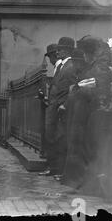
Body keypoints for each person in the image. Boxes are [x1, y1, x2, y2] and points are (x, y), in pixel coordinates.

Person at [62, 36, 112, 198]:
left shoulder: (100, 68)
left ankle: (92, 187)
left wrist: (77, 88)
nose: (83, 57)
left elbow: (97, 89)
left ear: (90, 53)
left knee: (93, 151)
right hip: (86, 115)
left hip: (94, 116)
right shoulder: (94, 67)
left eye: (85, 53)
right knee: (86, 149)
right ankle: (83, 184)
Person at [39, 37, 77, 179]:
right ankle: (53, 168)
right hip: (53, 107)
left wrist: (64, 104)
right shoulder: (60, 66)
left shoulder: (71, 66)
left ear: (67, 50)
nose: (57, 52)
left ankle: (59, 170)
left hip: (61, 108)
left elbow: (73, 88)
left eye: (60, 49)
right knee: (51, 138)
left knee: (60, 139)